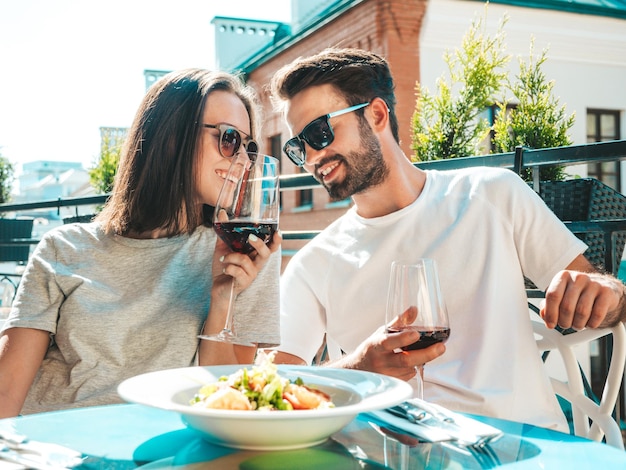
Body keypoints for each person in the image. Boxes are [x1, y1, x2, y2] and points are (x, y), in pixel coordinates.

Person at [269, 47, 626, 431]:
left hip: (524, 447)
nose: (310, 157)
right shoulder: (315, 262)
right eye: (297, 147)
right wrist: (357, 368)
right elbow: (274, 385)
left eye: (319, 133)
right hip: (402, 453)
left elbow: (610, 301)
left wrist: (604, 294)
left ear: (376, 115)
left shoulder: (491, 195)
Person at [0, 69, 282, 418]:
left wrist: (223, 297)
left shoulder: (244, 255)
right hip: (56, 450)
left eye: (249, 147)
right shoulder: (63, 248)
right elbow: (6, 390)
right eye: (229, 139)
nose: (242, 160)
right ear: (170, 139)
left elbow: (227, 401)